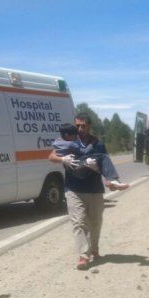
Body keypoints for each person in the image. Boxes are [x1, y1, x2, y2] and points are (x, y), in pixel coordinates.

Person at [48, 113, 108, 270]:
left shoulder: (98, 144)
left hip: (94, 189)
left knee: (95, 222)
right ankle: (83, 255)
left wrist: (99, 169)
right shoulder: (67, 142)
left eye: (83, 126)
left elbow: (105, 163)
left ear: (89, 126)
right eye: (78, 126)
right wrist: (62, 159)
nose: (80, 129)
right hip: (73, 188)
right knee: (78, 222)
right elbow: (51, 156)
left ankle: (94, 249)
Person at [52, 123, 129, 190]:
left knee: (95, 162)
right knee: (103, 157)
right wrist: (92, 143)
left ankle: (112, 182)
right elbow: (84, 152)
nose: (76, 137)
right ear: (66, 135)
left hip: (71, 169)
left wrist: (62, 159)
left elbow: (54, 154)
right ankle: (112, 180)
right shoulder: (70, 144)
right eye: (74, 135)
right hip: (78, 166)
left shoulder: (56, 142)